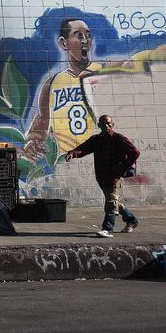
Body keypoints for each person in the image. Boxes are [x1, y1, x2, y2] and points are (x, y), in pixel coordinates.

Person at [24, 19, 100, 162]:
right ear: (63, 42)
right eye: (79, 35)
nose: (85, 40)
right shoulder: (52, 83)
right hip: (67, 160)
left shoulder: (103, 74)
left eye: (88, 35)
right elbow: (41, 122)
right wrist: (32, 142)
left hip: (99, 156)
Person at [65, 115, 140, 237]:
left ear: (112, 125)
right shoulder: (96, 140)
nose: (106, 126)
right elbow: (83, 149)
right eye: (103, 123)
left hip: (114, 177)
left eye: (108, 123)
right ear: (98, 125)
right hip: (101, 177)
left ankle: (108, 229)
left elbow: (135, 152)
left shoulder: (118, 139)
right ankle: (132, 220)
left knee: (111, 202)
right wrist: (72, 154)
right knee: (114, 202)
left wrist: (123, 167)